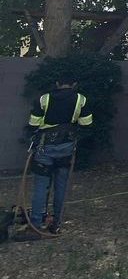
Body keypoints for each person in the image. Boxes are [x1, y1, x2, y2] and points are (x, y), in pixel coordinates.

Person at [17, 74, 93, 240]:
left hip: (45, 147)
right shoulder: (81, 99)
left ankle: (36, 224)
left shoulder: (44, 99)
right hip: (66, 147)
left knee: (41, 185)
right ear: (74, 83)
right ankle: (56, 222)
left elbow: (33, 123)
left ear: (57, 83)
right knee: (61, 186)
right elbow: (87, 124)